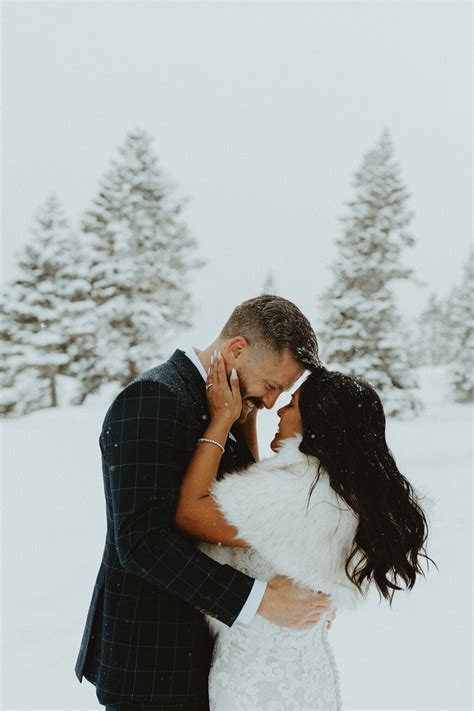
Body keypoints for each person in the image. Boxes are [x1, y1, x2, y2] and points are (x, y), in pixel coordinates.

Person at [75, 294, 333, 710]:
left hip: (210, 657)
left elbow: (236, 506)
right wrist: (262, 601)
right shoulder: (154, 399)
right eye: (271, 386)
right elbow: (141, 541)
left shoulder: (227, 407)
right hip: (154, 661)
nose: (271, 403)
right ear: (236, 349)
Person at [175, 351, 433, 710]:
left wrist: (221, 421)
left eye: (292, 404)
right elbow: (260, 507)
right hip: (306, 675)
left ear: (317, 421)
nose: (279, 411)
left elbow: (190, 514)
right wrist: (246, 423)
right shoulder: (340, 489)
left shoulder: (294, 491)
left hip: (258, 686)